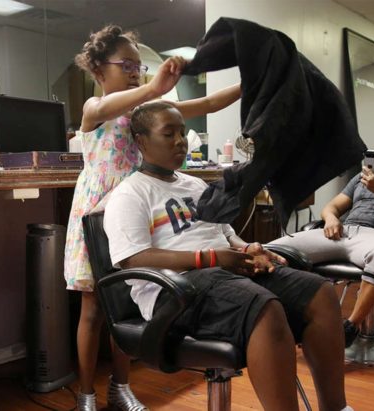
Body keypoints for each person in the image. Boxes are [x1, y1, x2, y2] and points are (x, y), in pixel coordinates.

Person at [103, 101, 352, 411]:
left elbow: (227, 235)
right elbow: (133, 258)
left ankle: (336, 407)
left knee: (320, 293)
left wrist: (249, 250)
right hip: (176, 291)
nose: (180, 141)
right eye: (168, 134)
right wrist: (210, 259)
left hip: (223, 272)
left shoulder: (196, 185)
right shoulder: (131, 193)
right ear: (141, 140)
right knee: (265, 308)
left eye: (182, 133)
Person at [64, 25, 241, 411]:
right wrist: (155, 88)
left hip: (139, 212)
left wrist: (251, 85)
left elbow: (208, 104)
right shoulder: (94, 110)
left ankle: (120, 386)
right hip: (99, 215)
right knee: (95, 309)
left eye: (138, 65)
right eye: (126, 64)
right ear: (98, 70)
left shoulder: (147, 113)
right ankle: (86, 394)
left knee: (126, 299)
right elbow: (130, 100)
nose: (135, 71)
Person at [269, 119, 374, 347]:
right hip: (343, 232)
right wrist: (331, 218)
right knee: (269, 250)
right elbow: (332, 206)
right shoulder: (362, 177)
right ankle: (285, 321)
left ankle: (350, 326)